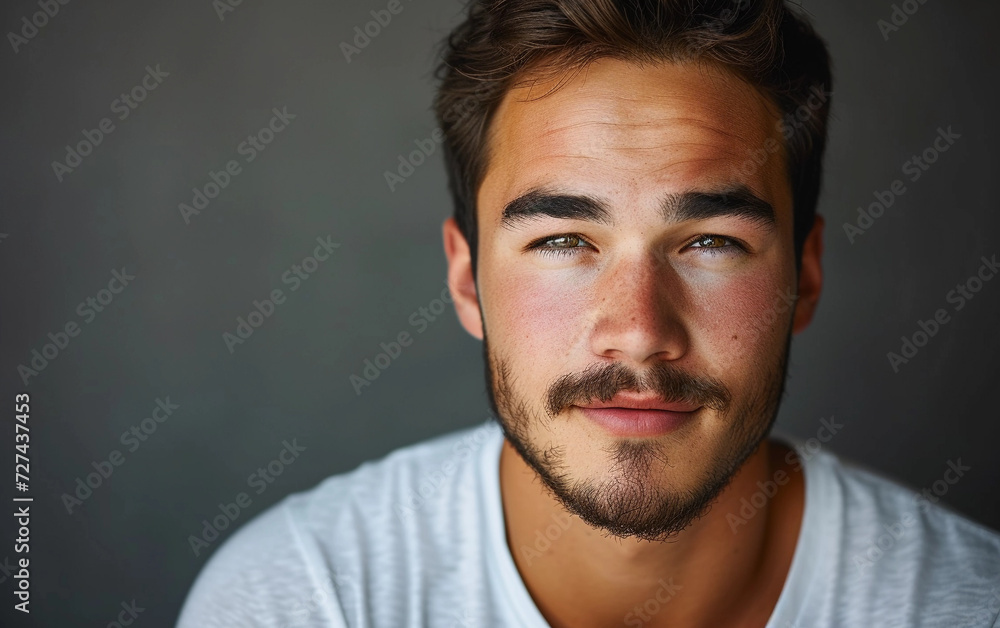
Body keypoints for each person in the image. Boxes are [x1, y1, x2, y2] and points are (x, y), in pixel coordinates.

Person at [177, 1, 1000, 626]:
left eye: (710, 242)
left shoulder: (963, 603)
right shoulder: (306, 599)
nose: (639, 329)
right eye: (565, 239)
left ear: (805, 277)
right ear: (467, 281)